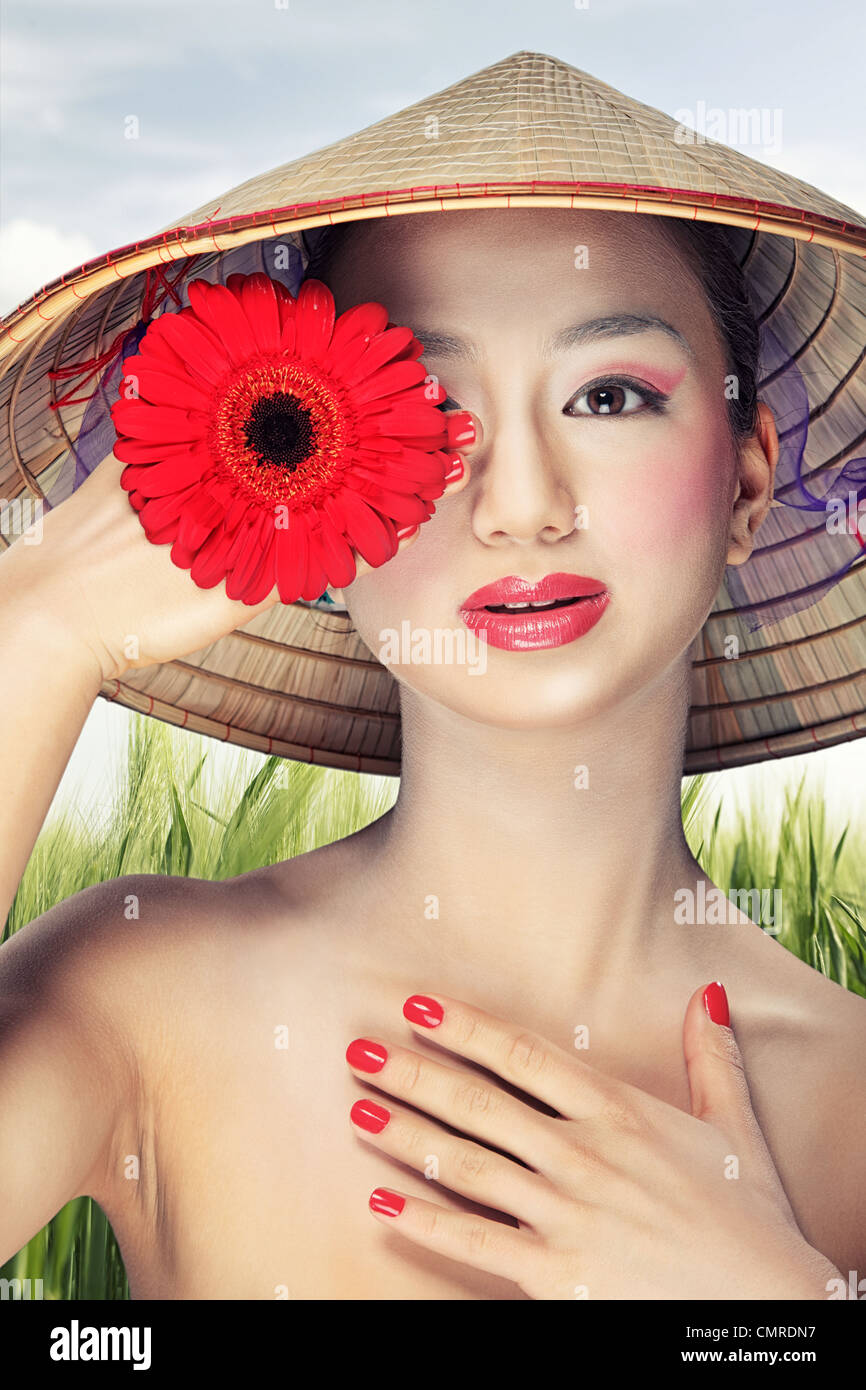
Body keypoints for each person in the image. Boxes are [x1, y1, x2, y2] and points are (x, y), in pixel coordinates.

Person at [1, 200, 864, 1301]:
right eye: (429, 404)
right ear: (305, 479)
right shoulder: (142, 996)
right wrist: (35, 631)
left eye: (607, 396)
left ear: (743, 484)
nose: (521, 505)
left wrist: (767, 1312)